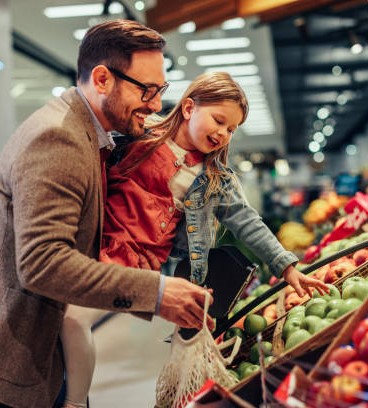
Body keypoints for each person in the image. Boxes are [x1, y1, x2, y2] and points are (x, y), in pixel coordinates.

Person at [61, 72, 329, 407]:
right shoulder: (139, 137)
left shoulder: (215, 179)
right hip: (93, 243)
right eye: (219, 120)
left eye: (231, 129)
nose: (223, 133)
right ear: (189, 107)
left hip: (142, 265)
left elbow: (248, 222)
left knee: (75, 318)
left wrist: (287, 267)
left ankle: (75, 402)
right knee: (66, 319)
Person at [0, 19, 214, 408]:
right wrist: (157, 292)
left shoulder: (91, 134)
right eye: (146, 90)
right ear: (102, 79)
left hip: (47, 350)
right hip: (21, 357)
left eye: (160, 89)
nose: (155, 104)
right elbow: (42, 262)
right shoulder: (58, 139)